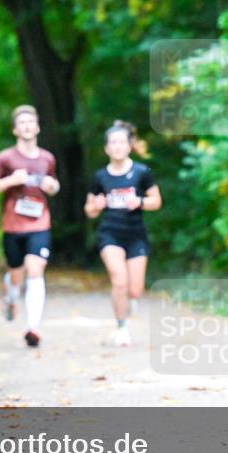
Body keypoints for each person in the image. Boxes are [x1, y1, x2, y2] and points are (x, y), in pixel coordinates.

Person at [0, 104, 60, 348]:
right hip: (13, 226)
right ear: (15, 129)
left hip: (39, 224)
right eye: (22, 123)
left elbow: (55, 186)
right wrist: (10, 181)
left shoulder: (47, 158)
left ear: (37, 127)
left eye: (30, 122)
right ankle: (11, 296)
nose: (27, 126)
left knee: (35, 268)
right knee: (17, 273)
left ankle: (33, 327)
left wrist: (51, 186)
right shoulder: (5, 158)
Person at [84, 121, 162, 347]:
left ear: (129, 146)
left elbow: (156, 201)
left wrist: (139, 201)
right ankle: (121, 327)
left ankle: (131, 300)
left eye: (122, 142)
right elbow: (88, 210)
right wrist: (96, 205)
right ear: (106, 148)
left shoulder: (141, 172)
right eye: (113, 143)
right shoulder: (99, 177)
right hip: (110, 234)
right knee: (120, 282)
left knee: (135, 289)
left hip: (136, 234)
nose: (117, 147)